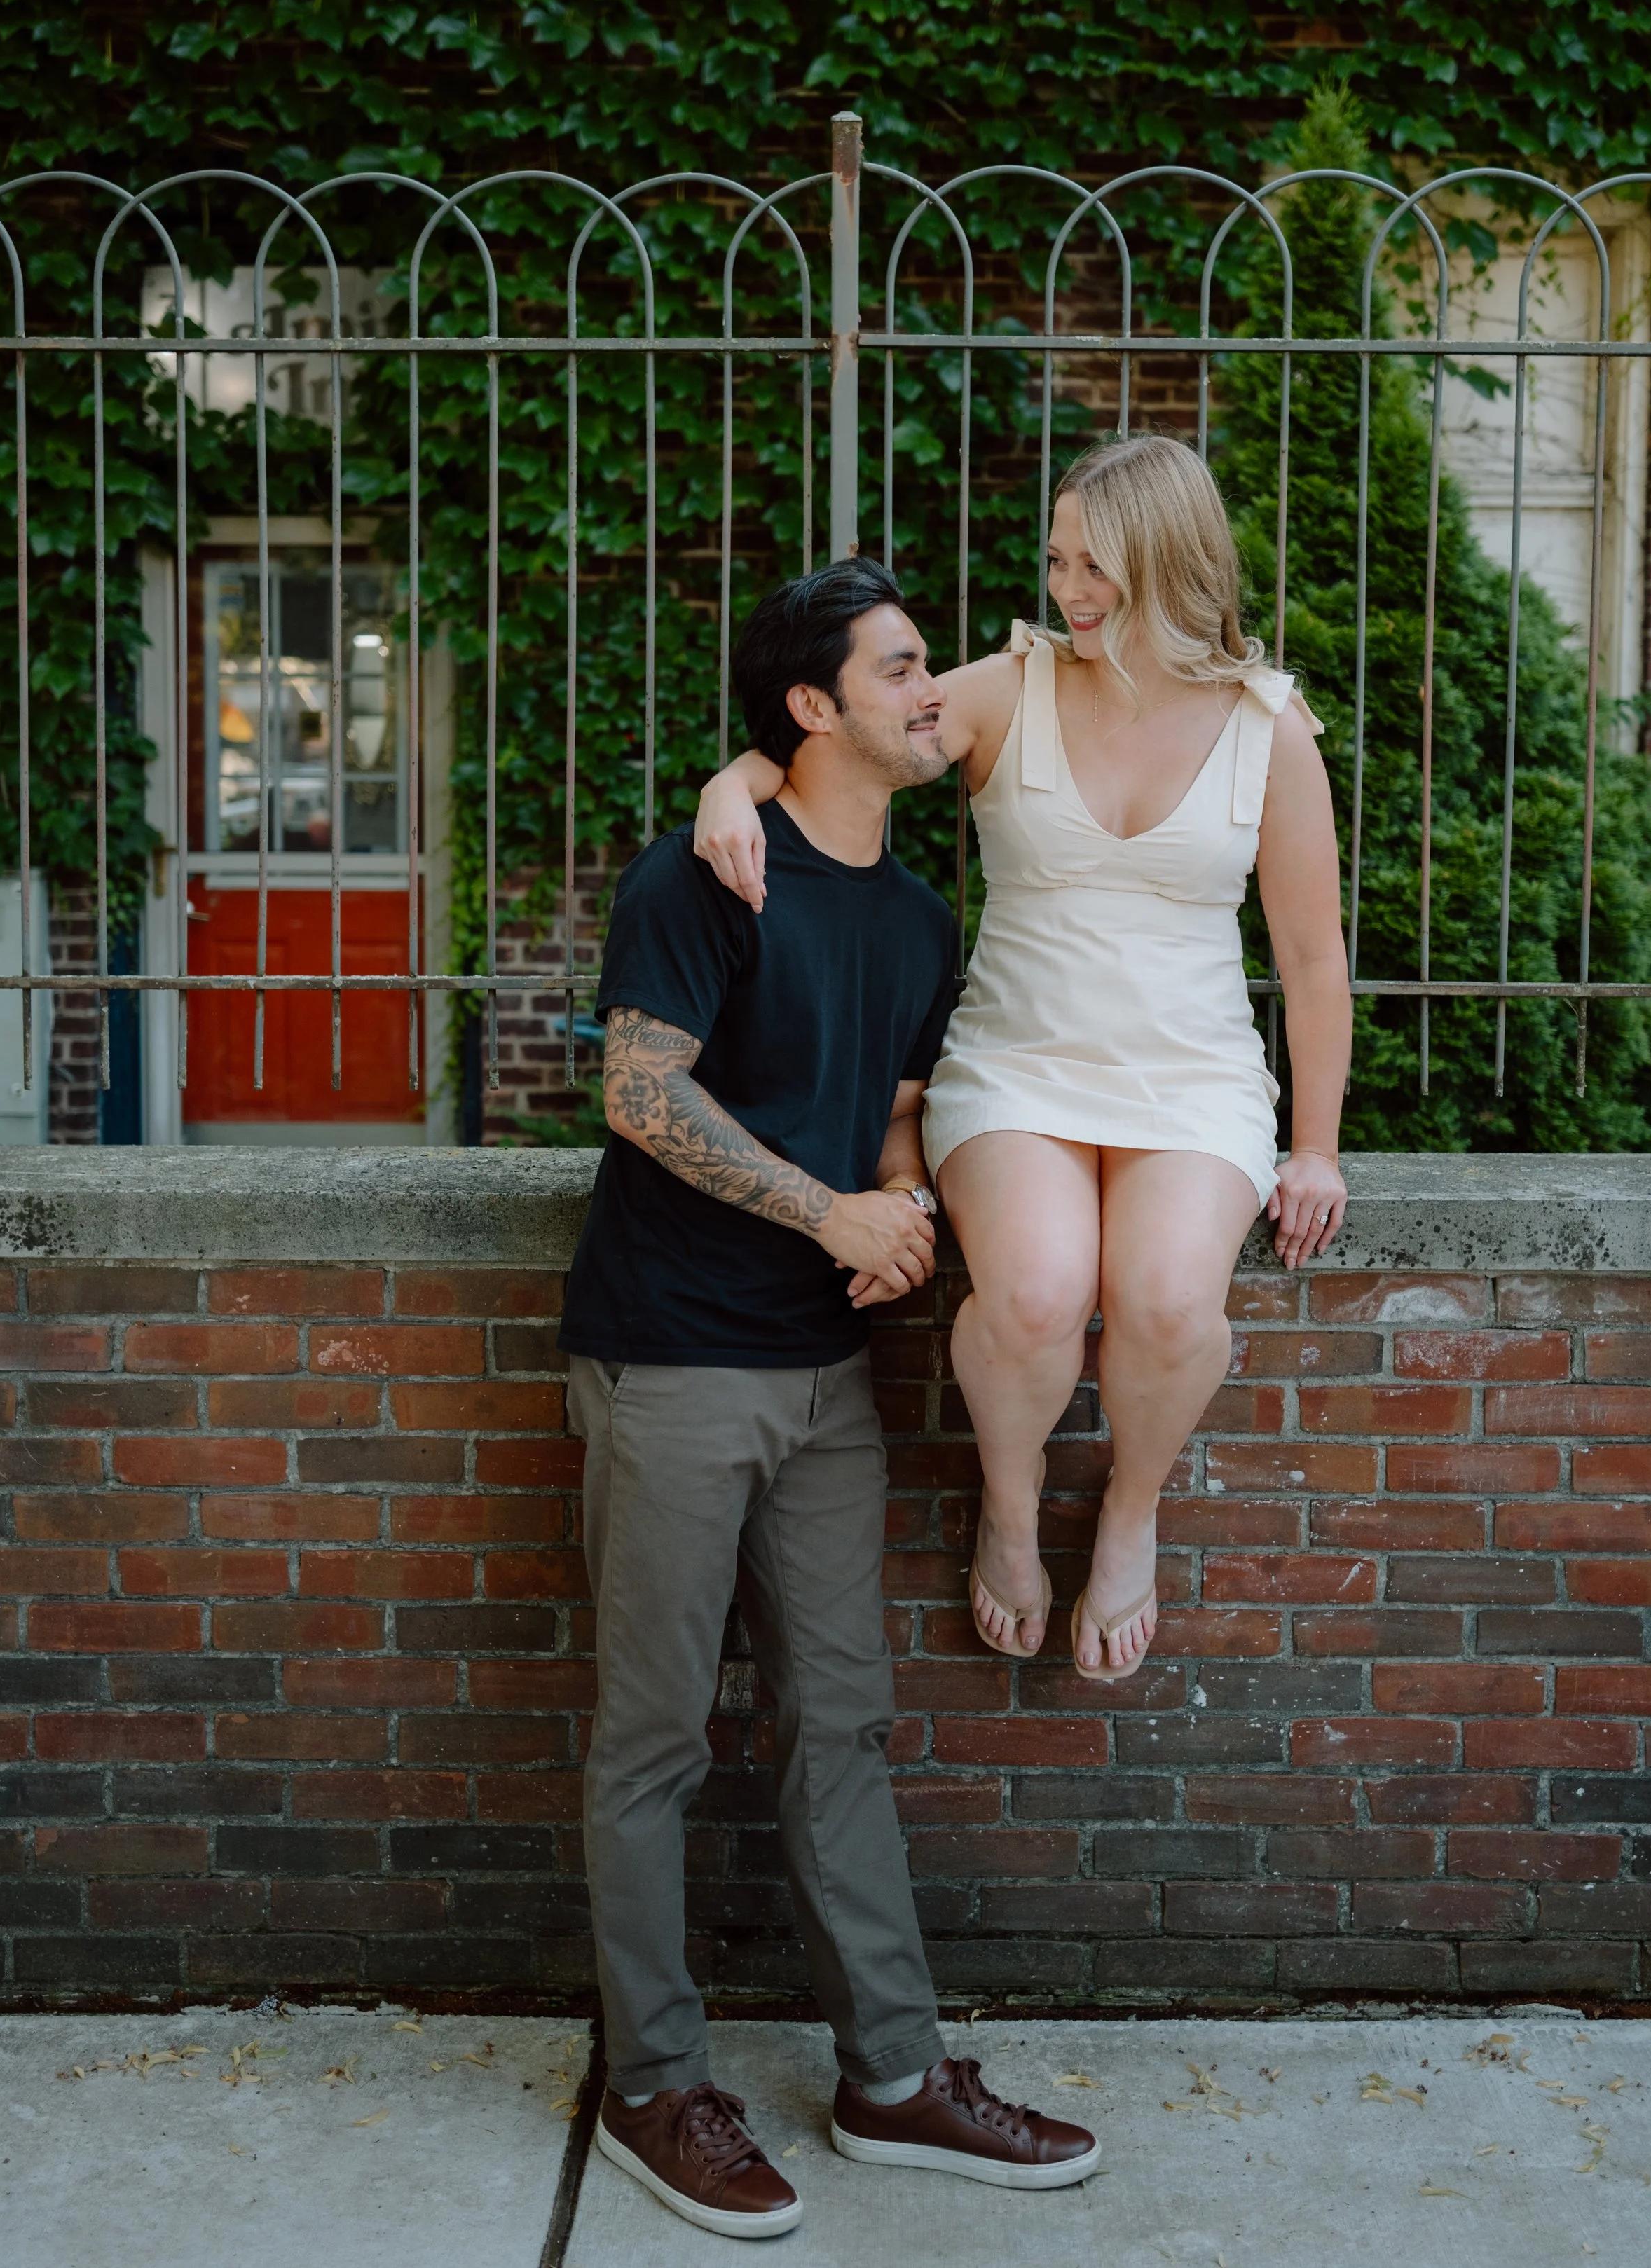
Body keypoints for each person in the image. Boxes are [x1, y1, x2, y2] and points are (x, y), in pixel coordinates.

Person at [559, 556, 1100, 2241]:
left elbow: (891, 1109)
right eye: (900, 668)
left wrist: (900, 1207)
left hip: (824, 1373)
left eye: (932, 665)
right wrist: (827, 1214)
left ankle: (893, 2075)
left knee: (841, 1726)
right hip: (671, 1355)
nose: (932, 693)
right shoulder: (700, 872)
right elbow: (639, 1095)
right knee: (655, 1738)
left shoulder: (919, 918)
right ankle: (653, 2087)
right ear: (811, 708)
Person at [695, 434, 1352, 1686]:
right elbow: (849, 730)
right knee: (1039, 1293)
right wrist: (737, 780)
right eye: (1057, 561)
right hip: (1016, 1069)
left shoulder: (1270, 732)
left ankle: (1130, 1507)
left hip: (1194, 1081)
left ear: (1171, 561)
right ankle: (1009, 1501)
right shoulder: (1008, 688)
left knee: (1170, 1301)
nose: (1069, 590)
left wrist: (1314, 1145)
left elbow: (1314, 962)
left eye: (1096, 565)